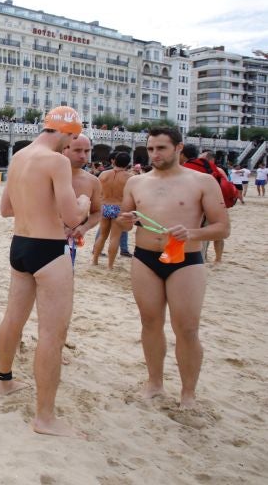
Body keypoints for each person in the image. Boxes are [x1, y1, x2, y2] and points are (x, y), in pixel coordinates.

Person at [115, 127, 230, 410]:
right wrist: (124, 221)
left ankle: (188, 393)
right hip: (145, 258)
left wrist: (191, 233)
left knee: (187, 329)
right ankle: (154, 383)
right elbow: (124, 219)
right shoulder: (135, 182)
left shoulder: (202, 182)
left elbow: (222, 228)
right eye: (151, 149)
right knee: (150, 322)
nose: (154, 154)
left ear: (178, 148)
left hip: (185, 261)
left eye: (161, 148)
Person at [0, 106, 90, 438]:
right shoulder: (57, 161)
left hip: (19, 246)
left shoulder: (19, 156)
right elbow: (71, 217)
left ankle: (5, 383)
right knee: (52, 334)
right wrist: (84, 205)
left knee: (12, 319)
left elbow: (6, 209)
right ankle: (45, 418)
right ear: (69, 133)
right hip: (48, 250)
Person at [61, 135, 103, 268]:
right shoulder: (45, 175)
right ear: (64, 149)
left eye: (87, 151)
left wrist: (84, 227)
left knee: (63, 283)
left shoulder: (92, 181)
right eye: (78, 150)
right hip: (38, 239)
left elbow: (97, 212)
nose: (83, 156)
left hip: (68, 243)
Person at [92, 151, 132, 268]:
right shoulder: (129, 177)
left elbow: (98, 192)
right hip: (119, 207)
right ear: (128, 163)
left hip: (105, 206)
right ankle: (110, 265)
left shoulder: (103, 174)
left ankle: (95, 260)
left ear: (114, 160)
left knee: (102, 235)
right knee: (115, 237)